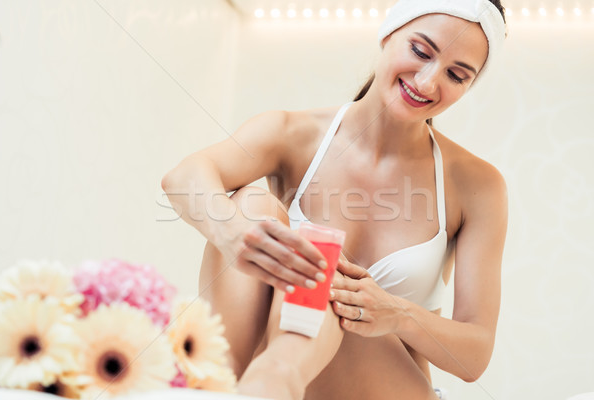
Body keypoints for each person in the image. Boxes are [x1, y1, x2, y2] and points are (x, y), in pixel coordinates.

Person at [162, 0, 508, 398]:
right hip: (261, 376)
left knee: (323, 270)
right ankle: (225, 388)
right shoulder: (291, 133)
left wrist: (394, 313)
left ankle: (270, 381)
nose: (428, 83)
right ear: (389, 33)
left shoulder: (476, 184)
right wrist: (235, 235)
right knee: (253, 210)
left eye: (456, 75)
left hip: (387, 389)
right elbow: (183, 177)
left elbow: (475, 354)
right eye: (420, 51)